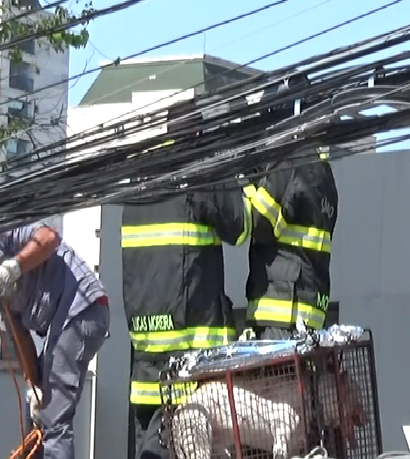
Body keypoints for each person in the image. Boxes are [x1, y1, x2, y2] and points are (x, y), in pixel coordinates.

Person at [122, 100, 254, 459]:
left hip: (145, 362)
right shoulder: (201, 168)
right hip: (188, 367)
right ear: (198, 134)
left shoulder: (140, 175)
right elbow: (241, 226)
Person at [0, 221, 109, 459]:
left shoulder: (1, 235)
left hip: (81, 308)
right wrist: (33, 385)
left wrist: (14, 267)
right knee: (39, 416)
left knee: (54, 418)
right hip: (63, 323)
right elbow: (20, 337)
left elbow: (49, 237)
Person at [243, 146, 339, 340]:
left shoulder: (289, 162)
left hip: (282, 309)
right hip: (311, 312)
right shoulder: (325, 174)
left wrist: (246, 184)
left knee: (277, 371)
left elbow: (261, 224)